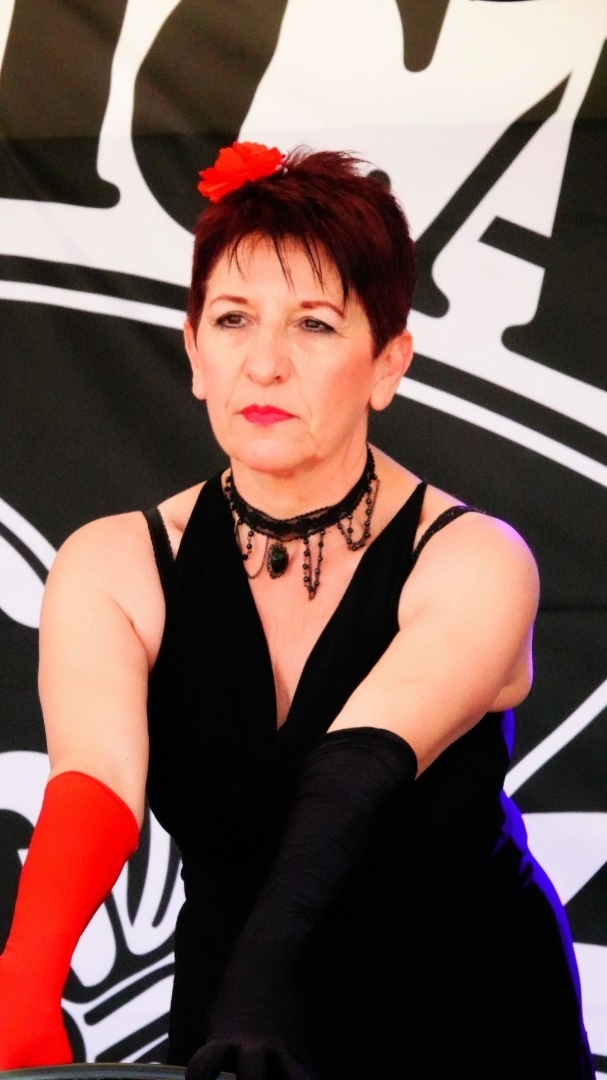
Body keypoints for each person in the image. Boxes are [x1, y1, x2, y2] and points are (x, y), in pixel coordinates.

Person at [0, 142, 595, 1080]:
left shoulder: (476, 558)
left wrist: (258, 981)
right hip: (233, 1025)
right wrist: (21, 989)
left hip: (465, 1022)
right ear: (194, 353)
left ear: (388, 363)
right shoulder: (113, 562)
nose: (266, 363)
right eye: (233, 318)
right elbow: (97, 783)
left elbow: (358, 768)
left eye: (314, 324)